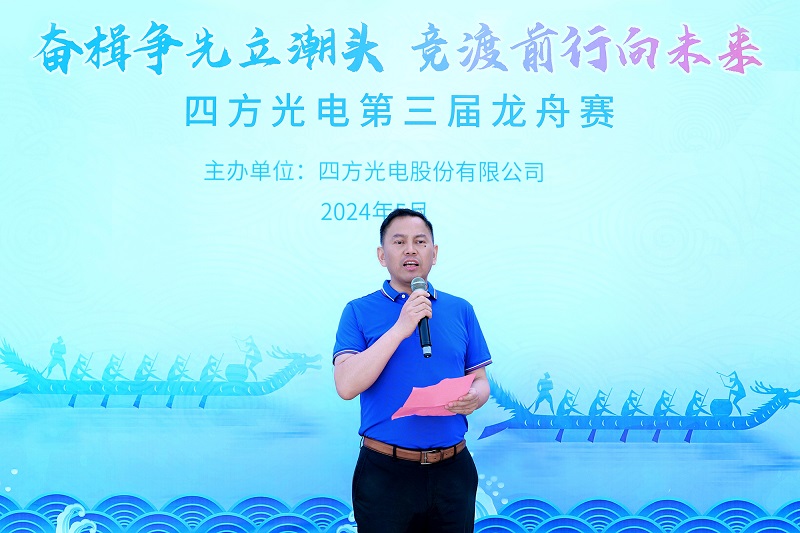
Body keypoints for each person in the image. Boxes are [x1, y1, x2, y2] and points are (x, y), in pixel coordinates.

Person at [333, 208, 492, 533]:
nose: (410, 250)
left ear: (434, 253)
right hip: (386, 473)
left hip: (453, 472)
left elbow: (480, 382)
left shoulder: (461, 309)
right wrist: (400, 327)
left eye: (420, 242)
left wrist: (474, 398)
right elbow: (346, 386)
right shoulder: (358, 311)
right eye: (399, 242)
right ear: (382, 255)